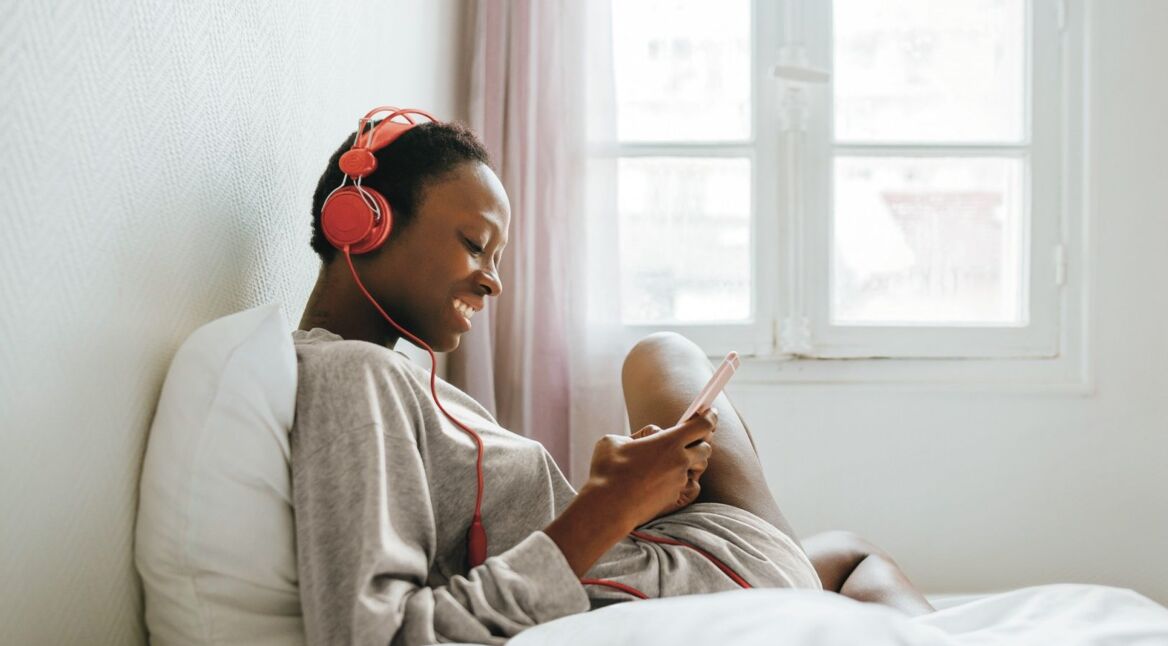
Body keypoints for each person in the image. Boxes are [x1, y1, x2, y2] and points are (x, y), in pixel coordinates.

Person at [292, 114, 934, 646]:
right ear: (360, 220)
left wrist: (635, 499)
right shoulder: (351, 375)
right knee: (665, 356)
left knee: (848, 549)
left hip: (654, 563)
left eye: (498, 257)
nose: (493, 279)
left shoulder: (368, 374)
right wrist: (610, 504)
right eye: (474, 243)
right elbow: (374, 636)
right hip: (681, 583)